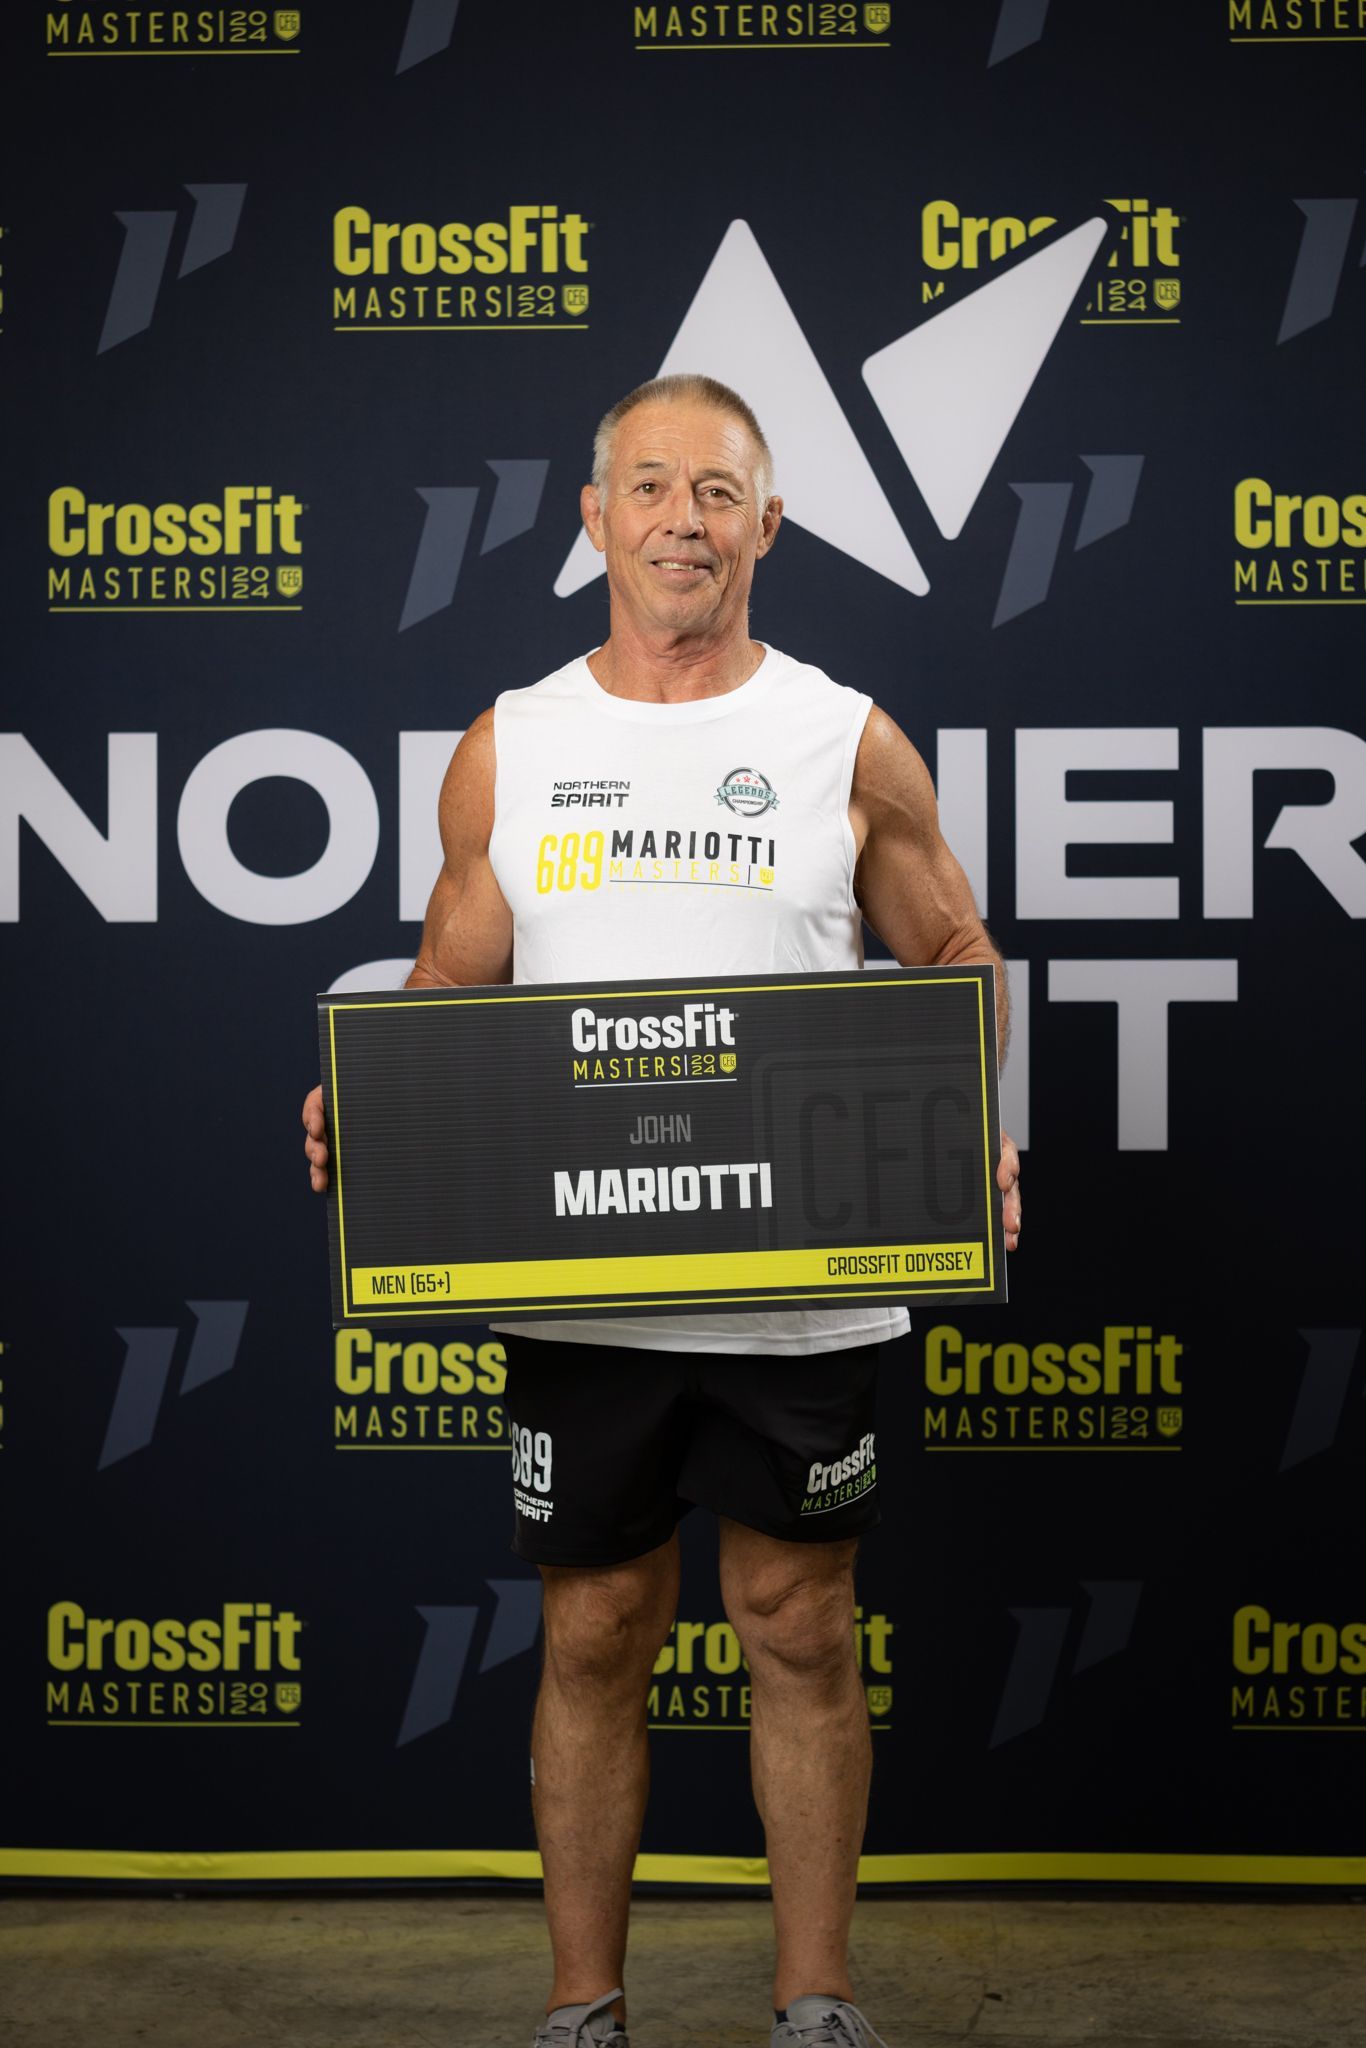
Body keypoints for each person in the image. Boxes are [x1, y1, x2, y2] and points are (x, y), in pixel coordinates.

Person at [302, 374, 1021, 2048]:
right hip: (581, 1282)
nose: (682, 519)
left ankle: (816, 2002)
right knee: (598, 1626)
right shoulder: (516, 741)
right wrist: (379, 1102)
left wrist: (950, 1132)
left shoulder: (843, 737)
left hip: (803, 1286)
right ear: (593, 522)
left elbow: (953, 961)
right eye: (648, 486)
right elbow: (446, 975)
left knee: (798, 1621)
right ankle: (581, 2007)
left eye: (717, 490)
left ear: (768, 526)